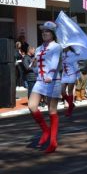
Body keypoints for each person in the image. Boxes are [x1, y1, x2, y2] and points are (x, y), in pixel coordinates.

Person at [28, 21, 62, 153]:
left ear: (52, 34)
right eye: (43, 31)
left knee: (52, 111)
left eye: (47, 31)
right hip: (40, 81)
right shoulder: (38, 49)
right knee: (32, 106)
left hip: (53, 80)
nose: (44, 33)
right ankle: (46, 130)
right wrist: (34, 64)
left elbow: (54, 63)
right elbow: (35, 70)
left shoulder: (57, 47)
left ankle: (53, 142)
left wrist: (51, 74)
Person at [61, 46, 80, 117]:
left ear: (68, 47)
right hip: (64, 75)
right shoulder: (62, 54)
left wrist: (77, 77)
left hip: (72, 74)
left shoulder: (72, 54)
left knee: (70, 92)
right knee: (62, 91)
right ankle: (71, 104)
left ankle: (69, 110)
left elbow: (76, 66)